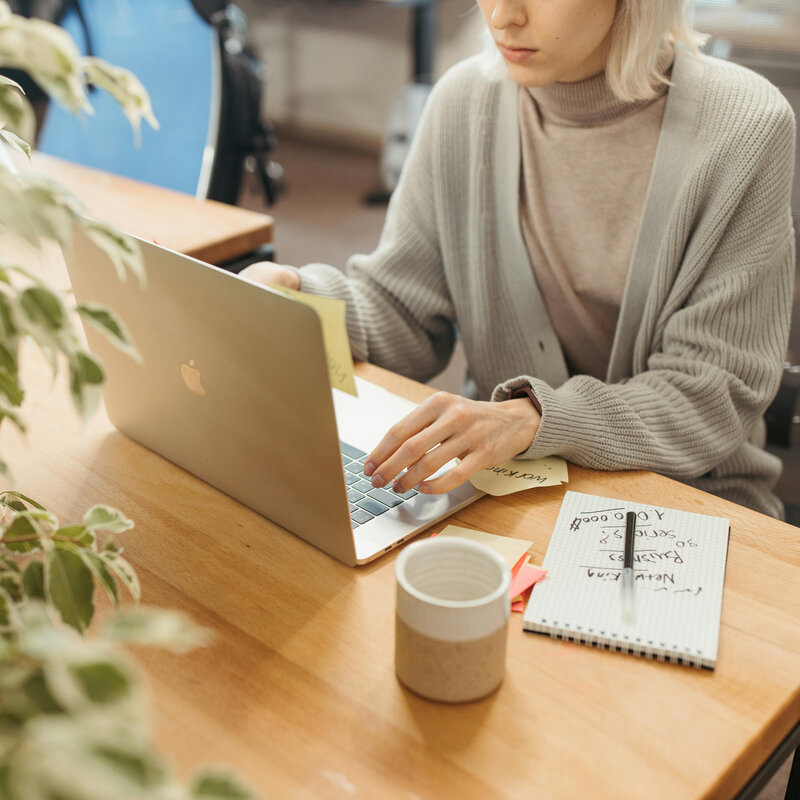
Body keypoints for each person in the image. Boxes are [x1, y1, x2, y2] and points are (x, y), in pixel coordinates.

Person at [241, 0, 796, 518]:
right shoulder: (464, 102)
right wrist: (301, 297)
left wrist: (530, 418)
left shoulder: (744, 125)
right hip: (504, 485)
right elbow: (403, 308)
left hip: (688, 499)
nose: (503, 16)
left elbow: (710, 395)